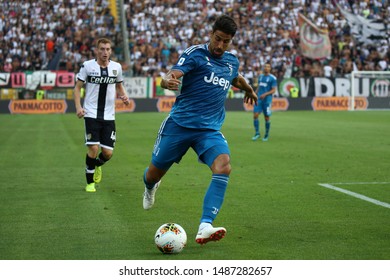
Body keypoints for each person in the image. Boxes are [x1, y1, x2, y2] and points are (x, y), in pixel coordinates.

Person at [142, 15, 257, 245]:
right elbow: (173, 74)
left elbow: (235, 77)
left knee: (223, 166)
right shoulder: (196, 54)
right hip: (180, 125)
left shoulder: (231, 61)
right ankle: (150, 187)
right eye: (217, 39)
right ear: (211, 34)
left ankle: (205, 225)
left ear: (231, 41)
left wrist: (249, 88)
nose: (220, 45)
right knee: (153, 174)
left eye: (226, 41)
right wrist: (166, 82)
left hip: (209, 129)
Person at [74, 38, 129, 192]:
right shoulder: (87, 66)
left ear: (110, 51)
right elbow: (77, 88)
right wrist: (79, 107)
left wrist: (124, 96)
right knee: (93, 148)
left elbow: (119, 86)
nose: (105, 52)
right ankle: (89, 183)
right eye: (102, 49)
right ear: (97, 50)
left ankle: (97, 165)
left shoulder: (116, 67)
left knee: (108, 153)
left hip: (109, 115)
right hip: (91, 113)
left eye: (108, 49)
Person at [252, 63, 277, 141]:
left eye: (268, 67)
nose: (266, 68)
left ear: (270, 68)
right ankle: (257, 133)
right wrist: (254, 94)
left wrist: (265, 94)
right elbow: (259, 87)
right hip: (259, 100)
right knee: (255, 115)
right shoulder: (261, 77)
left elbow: (273, 90)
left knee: (266, 117)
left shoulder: (272, 78)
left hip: (267, 101)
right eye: (265, 66)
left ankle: (266, 135)